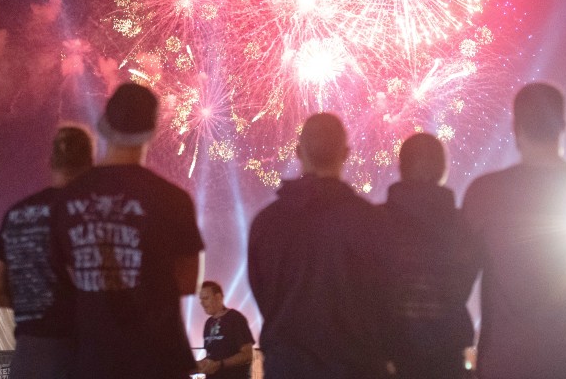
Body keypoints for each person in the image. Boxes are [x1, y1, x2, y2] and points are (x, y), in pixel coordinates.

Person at [51, 82, 205, 379]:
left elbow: (63, 279)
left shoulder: (67, 199)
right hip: (159, 361)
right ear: (152, 132)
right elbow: (187, 282)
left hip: (92, 361)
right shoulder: (173, 199)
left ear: (103, 125)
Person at [461, 82, 566, 379]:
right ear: (563, 125)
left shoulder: (485, 192)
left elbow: (461, 274)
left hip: (505, 360)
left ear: (516, 127)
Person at [248, 112, 390, 379]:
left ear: (298, 152)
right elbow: (386, 297)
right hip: (357, 367)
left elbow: (264, 296)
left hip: (287, 367)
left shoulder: (266, 223)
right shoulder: (372, 220)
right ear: (346, 153)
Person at [0, 124, 94, 379]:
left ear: (50, 161)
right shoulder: (92, 214)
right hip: (78, 355)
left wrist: (31, 303)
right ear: (90, 163)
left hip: (27, 358)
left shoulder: (17, 214)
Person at [381, 132, 476, 379]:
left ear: (400, 167)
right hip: (446, 354)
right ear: (443, 169)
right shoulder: (462, 224)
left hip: (389, 355)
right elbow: (462, 285)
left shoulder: (373, 221)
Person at [197, 280, 255, 378]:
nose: (202, 303)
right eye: (201, 299)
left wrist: (220, 364)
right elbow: (212, 356)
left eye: (206, 298)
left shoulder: (235, 318)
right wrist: (200, 364)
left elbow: (247, 354)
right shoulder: (208, 323)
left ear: (218, 297)